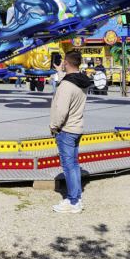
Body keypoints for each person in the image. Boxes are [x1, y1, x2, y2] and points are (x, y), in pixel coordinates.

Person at [50, 50, 93, 213]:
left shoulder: (67, 85)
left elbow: (61, 110)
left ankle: (73, 202)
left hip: (66, 129)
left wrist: (54, 126)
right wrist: (60, 73)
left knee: (68, 166)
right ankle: (76, 198)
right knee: (74, 164)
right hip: (77, 127)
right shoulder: (82, 82)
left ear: (66, 62)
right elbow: (69, 83)